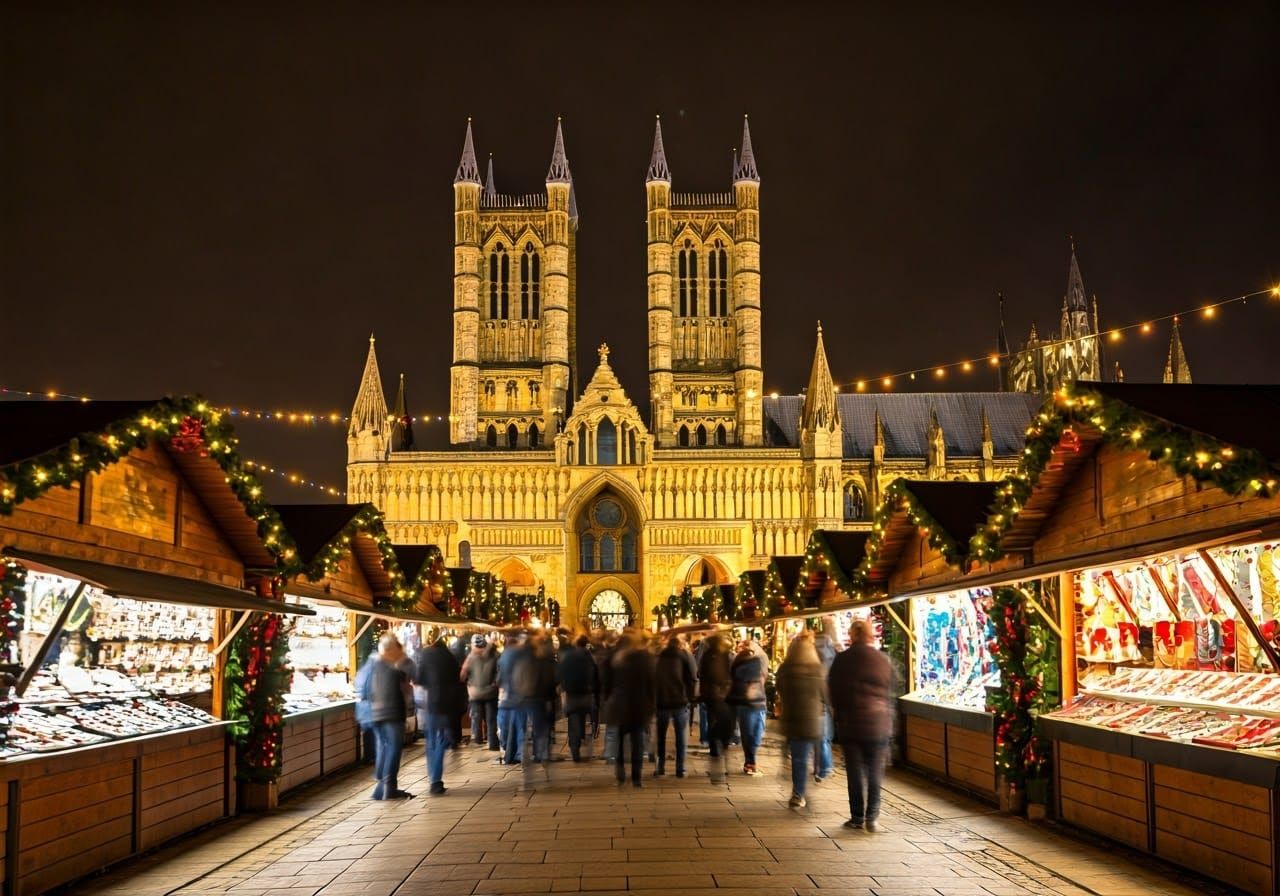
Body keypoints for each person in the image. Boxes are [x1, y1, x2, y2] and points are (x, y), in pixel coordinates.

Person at [828, 618, 893, 831]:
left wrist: (839, 714)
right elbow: (890, 688)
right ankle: (872, 818)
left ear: (852, 635)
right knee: (875, 771)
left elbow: (834, 691)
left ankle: (856, 817)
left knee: (855, 772)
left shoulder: (842, 660)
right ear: (870, 635)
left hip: (851, 724)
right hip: (878, 723)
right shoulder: (882, 659)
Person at [776, 632, 827, 808]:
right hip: (812, 720)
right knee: (812, 752)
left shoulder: (785, 668)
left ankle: (798, 793)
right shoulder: (817, 669)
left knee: (799, 757)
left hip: (791, 718)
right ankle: (816, 774)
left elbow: (779, 688)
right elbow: (825, 694)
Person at [361, 633, 414, 800]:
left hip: (375, 714)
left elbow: (362, 688)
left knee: (383, 748)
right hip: (390, 713)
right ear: (391, 650)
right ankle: (388, 787)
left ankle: (381, 788)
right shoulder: (391, 667)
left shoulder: (371, 664)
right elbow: (405, 686)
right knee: (392, 748)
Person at [414, 632, 465, 795]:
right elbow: (458, 681)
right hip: (448, 706)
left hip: (432, 705)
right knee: (441, 741)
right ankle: (436, 781)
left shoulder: (426, 655)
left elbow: (419, 679)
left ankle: (434, 779)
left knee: (432, 743)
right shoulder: (451, 658)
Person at [608, 632, 655, 787]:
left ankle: (620, 773)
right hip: (639, 706)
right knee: (637, 743)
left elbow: (608, 682)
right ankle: (636, 777)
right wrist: (651, 706)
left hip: (621, 706)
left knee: (620, 741)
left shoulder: (616, 659)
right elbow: (651, 684)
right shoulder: (645, 659)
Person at [654, 633, 696, 777]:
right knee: (680, 736)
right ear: (679, 644)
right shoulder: (684, 656)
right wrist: (690, 698)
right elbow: (692, 677)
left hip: (662, 702)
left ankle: (660, 767)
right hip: (680, 701)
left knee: (661, 736)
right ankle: (680, 768)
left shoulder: (659, 657)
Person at [728, 636, 768, 776]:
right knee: (755, 732)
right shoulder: (758, 660)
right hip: (756, 701)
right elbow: (763, 677)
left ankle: (750, 760)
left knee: (748, 733)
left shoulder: (736, 661)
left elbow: (732, 678)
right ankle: (751, 760)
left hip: (745, 702)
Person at [697, 633, 733, 784]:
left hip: (712, 697)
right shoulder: (722, 655)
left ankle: (717, 762)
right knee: (722, 728)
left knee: (716, 728)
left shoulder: (708, 656)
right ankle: (720, 762)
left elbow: (701, 673)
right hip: (720, 697)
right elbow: (723, 675)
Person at [556, 634, 598, 762]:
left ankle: (575, 748)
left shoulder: (569, 657)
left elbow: (561, 672)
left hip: (572, 694)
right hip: (586, 693)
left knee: (574, 721)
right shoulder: (589, 657)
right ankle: (587, 741)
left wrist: (563, 686)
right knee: (589, 719)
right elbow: (596, 675)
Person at [812, 615, 841, 782]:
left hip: (815, 700)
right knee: (824, 735)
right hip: (826, 700)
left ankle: (823, 767)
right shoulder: (833, 654)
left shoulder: (812, 654)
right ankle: (824, 766)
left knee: (820, 736)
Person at [461, 634, 499, 750]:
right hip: (491, 692)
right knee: (491, 719)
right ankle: (493, 743)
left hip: (475, 693)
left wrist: (468, 682)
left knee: (476, 717)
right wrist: (495, 682)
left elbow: (462, 675)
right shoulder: (495, 655)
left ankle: (477, 740)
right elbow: (500, 671)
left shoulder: (471, 657)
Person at [496, 631, 527, 765]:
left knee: (505, 728)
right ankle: (518, 754)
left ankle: (508, 753)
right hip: (520, 698)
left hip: (506, 698)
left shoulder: (503, 657)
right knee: (520, 728)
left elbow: (499, 679)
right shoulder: (523, 657)